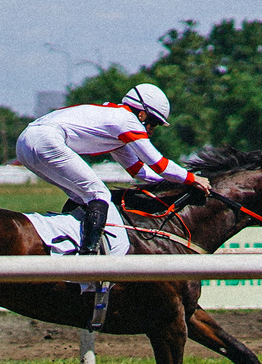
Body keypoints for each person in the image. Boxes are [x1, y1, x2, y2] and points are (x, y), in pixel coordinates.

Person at [14, 83, 205, 255]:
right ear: (142, 115)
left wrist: (175, 185)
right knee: (99, 194)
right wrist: (192, 179)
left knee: (81, 196)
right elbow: (159, 164)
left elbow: (140, 172)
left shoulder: (116, 123)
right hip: (44, 139)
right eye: (153, 123)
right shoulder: (127, 120)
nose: (152, 130)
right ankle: (89, 257)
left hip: (26, 142)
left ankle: (67, 245)